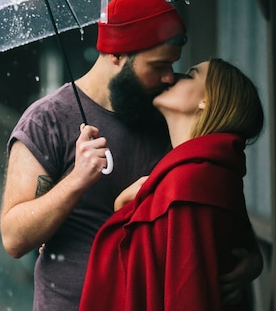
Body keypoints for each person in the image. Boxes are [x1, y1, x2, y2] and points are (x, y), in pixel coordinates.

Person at [0, 0, 262, 310]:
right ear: (117, 54)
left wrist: (251, 262)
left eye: (173, 65)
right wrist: (76, 180)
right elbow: (14, 238)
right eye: (157, 65)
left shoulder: (168, 114)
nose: (168, 77)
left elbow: (226, 219)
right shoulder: (47, 121)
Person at [79, 58, 264, 311]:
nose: (172, 77)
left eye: (190, 74)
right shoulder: (207, 170)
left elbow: (186, 293)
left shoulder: (191, 181)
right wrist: (125, 204)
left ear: (206, 100)